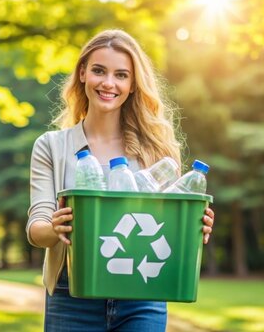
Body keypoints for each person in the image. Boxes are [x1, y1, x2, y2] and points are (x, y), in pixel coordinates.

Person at [26, 29, 215, 331]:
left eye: (121, 75)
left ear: (132, 85)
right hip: (72, 293)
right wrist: (56, 227)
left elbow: (169, 224)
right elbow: (36, 229)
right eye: (99, 70)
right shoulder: (51, 146)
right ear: (83, 73)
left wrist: (194, 225)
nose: (108, 83)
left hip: (143, 290)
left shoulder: (158, 149)